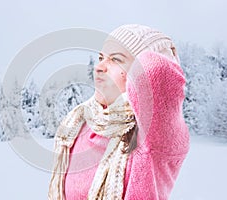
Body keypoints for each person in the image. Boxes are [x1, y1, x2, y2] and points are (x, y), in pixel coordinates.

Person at [48, 24, 190, 200]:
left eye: (115, 60)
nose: (99, 67)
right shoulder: (82, 122)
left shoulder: (155, 135)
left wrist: (152, 49)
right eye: (101, 57)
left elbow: (155, 71)